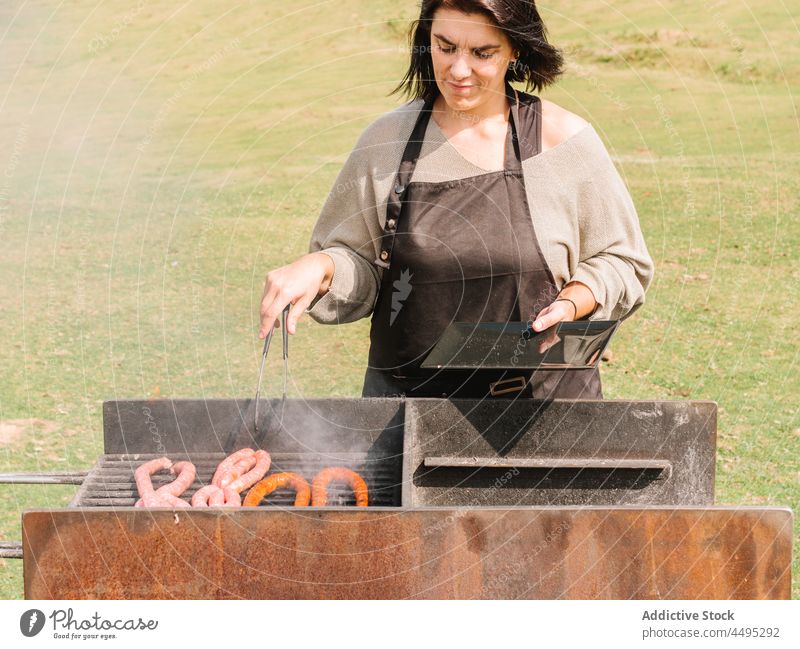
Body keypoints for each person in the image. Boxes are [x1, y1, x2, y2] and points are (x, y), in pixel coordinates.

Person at [259, 0, 654, 399]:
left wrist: (572, 302)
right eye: (445, 47)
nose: (459, 69)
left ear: (515, 48)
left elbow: (623, 262)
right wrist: (321, 266)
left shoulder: (565, 142)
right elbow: (360, 264)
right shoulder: (386, 142)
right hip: (408, 412)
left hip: (543, 409)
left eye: (483, 53)